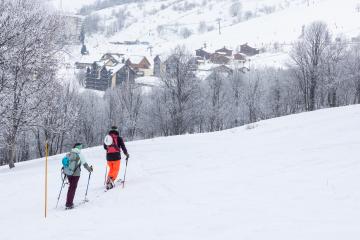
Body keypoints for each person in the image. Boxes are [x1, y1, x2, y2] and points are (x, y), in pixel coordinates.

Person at [64, 143, 93, 209]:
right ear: (79, 147)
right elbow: (85, 164)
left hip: (69, 173)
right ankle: (69, 204)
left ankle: (68, 202)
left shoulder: (69, 153)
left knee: (70, 187)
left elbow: (66, 163)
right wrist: (89, 169)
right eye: (81, 147)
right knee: (72, 188)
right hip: (76, 174)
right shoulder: (80, 154)